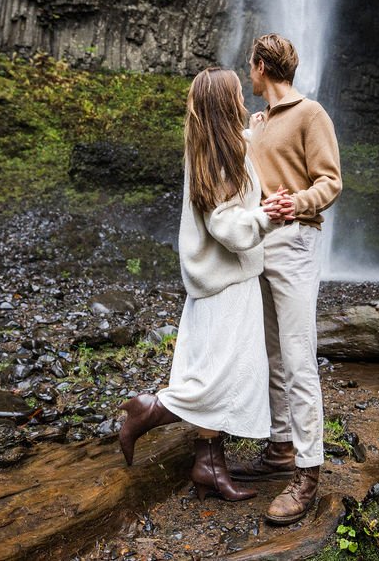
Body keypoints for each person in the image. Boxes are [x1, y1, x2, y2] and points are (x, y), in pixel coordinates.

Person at [118, 67, 289, 502]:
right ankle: (149, 410)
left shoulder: (215, 145)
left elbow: (232, 183)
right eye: (235, 92)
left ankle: (208, 466)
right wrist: (270, 215)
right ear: (223, 102)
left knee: (222, 376)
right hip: (225, 284)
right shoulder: (217, 157)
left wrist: (252, 133)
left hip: (223, 281)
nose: (242, 97)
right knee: (220, 380)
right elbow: (228, 227)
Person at [229, 34, 342, 525]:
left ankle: (308, 472)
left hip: (295, 243)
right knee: (272, 350)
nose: (246, 75)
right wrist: (252, 135)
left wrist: (295, 202)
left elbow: (331, 181)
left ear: (260, 67)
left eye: (249, 67)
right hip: (259, 243)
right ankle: (280, 447)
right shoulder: (264, 121)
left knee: (298, 357)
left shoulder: (310, 114)